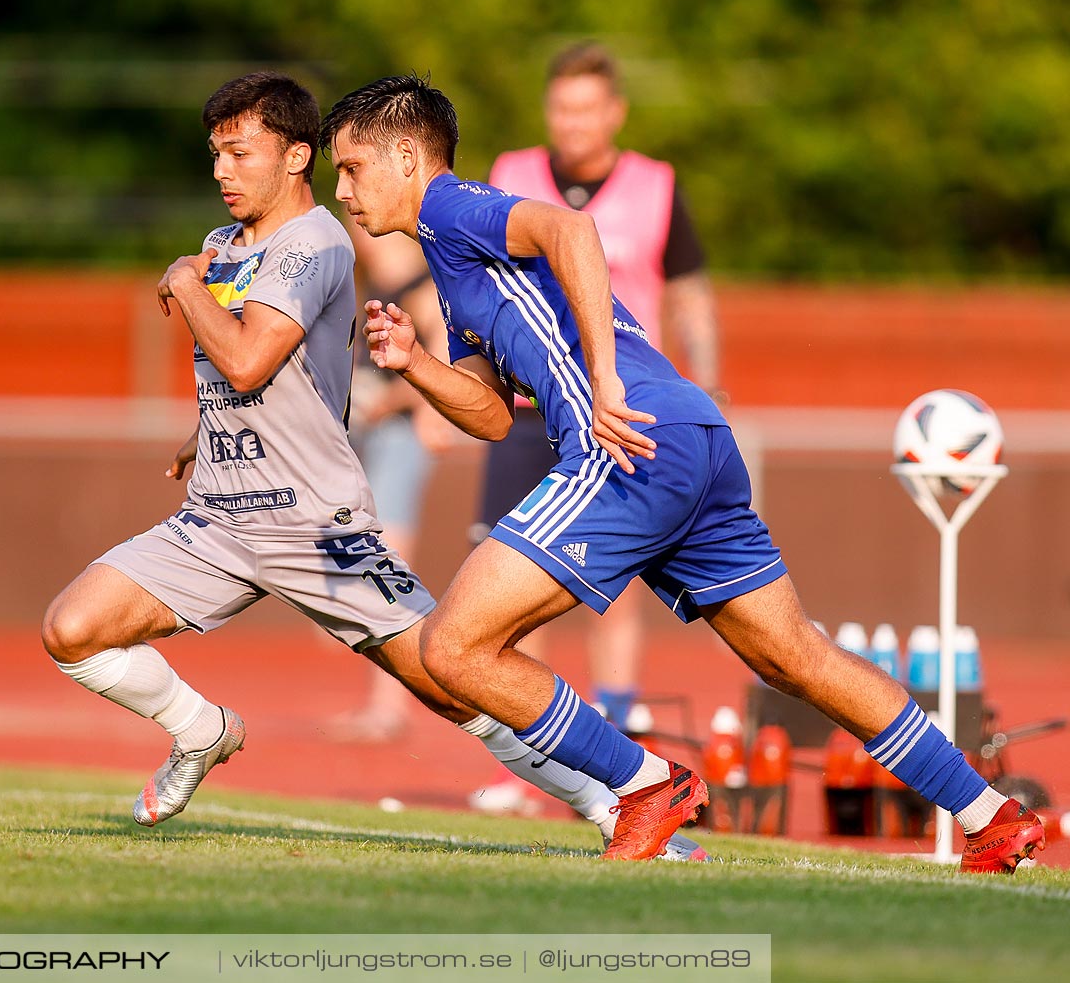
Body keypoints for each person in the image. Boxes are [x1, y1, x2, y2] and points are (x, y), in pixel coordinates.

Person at [323, 74, 1043, 870]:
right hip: (693, 433)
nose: (343, 189)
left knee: (454, 647)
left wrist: (602, 383)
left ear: (404, 155)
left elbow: (573, 231)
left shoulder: (453, 207)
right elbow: (493, 415)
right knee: (793, 656)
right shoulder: (450, 264)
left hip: (632, 438)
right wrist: (417, 364)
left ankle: (646, 784)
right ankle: (992, 812)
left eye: (351, 167)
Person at [40, 71, 704, 859]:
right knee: (71, 629)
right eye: (214, 154)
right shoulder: (221, 248)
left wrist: (184, 284)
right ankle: (202, 729)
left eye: (238, 152)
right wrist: (205, 429)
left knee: (449, 677)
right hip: (218, 519)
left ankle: (613, 801)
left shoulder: (316, 240)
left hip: (315, 525)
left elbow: (251, 358)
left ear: (294, 158)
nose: (221, 170)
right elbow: (242, 383)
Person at [480, 41, 726, 740]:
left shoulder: (656, 186)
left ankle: (612, 732)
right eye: (563, 107)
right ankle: (534, 747)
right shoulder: (513, 175)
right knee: (511, 578)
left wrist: (706, 385)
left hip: (621, 406)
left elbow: (690, 297)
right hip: (531, 406)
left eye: (588, 108)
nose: (575, 122)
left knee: (611, 577)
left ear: (614, 112)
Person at [326, 222, 451, 744]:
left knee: (389, 569)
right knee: (365, 566)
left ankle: (391, 706)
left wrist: (388, 402)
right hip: (369, 437)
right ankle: (382, 702)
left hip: (399, 439)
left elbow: (444, 368)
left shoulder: (423, 283)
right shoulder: (366, 283)